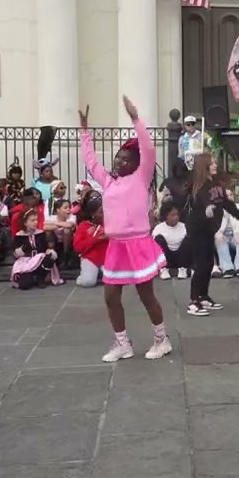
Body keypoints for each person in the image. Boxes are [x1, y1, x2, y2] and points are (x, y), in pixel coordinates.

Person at [80, 98, 170, 362]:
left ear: (136, 163)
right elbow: (90, 160)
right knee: (110, 296)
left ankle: (161, 339)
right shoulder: (108, 181)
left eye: (125, 158)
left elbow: (148, 149)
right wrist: (85, 131)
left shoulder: (141, 177)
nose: (119, 161)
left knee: (146, 296)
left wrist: (135, 119)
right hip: (116, 246)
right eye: (118, 157)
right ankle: (122, 343)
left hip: (138, 244)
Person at [183, 153, 239, 316]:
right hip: (198, 229)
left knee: (209, 263)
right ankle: (193, 301)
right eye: (212, 163)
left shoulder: (216, 184)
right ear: (205, 167)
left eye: (215, 162)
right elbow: (203, 199)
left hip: (210, 228)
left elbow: (227, 203)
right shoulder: (199, 185)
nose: (215, 165)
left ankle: (203, 296)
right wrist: (208, 208)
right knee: (201, 264)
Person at [10, 208, 62, 290]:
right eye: (32, 220)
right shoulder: (19, 235)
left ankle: (40, 278)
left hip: (39, 260)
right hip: (26, 262)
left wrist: (50, 251)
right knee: (24, 285)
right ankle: (29, 277)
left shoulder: (40, 233)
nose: (35, 222)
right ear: (25, 222)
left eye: (36, 220)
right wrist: (18, 252)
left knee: (49, 259)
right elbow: (14, 252)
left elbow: (45, 248)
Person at [73, 202, 108, 287]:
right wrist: (94, 239)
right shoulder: (84, 226)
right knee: (88, 282)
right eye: (101, 212)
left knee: (114, 280)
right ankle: (84, 276)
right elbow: (78, 247)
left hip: (107, 258)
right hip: (90, 258)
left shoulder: (109, 224)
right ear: (93, 214)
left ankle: (98, 273)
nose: (105, 214)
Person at [152, 204, 191, 279]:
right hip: (167, 258)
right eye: (173, 215)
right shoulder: (158, 228)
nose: (176, 217)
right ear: (166, 216)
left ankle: (183, 269)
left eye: (177, 215)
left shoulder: (184, 226)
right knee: (159, 238)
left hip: (181, 257)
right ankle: (163, 269)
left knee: (188, 238)